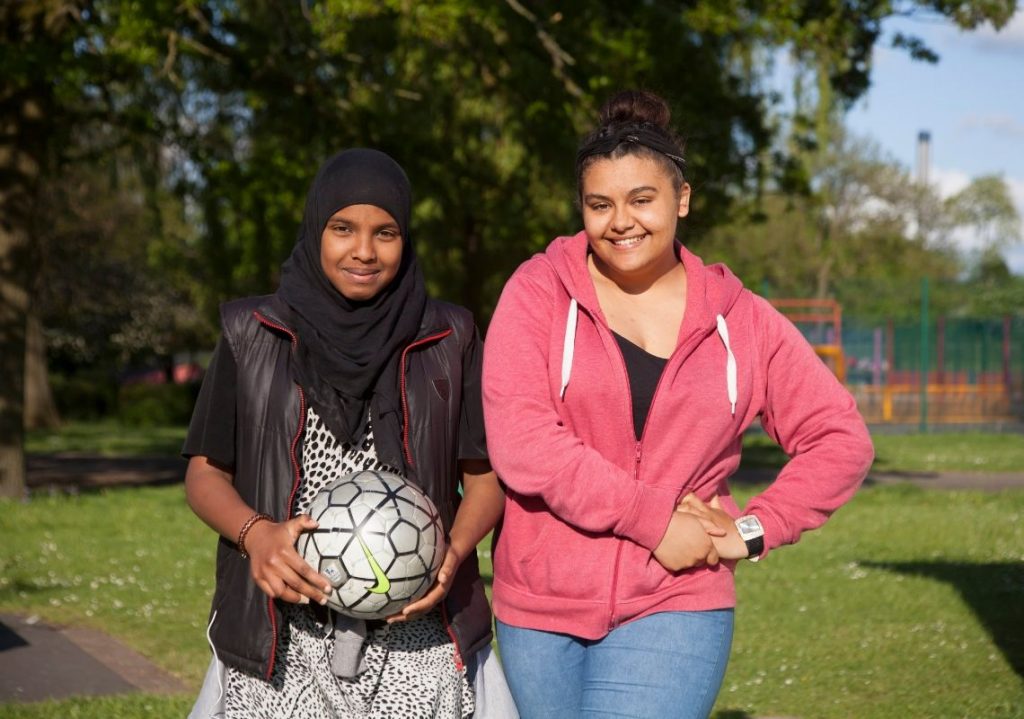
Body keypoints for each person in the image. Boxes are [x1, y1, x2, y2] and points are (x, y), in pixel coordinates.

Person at [481, 90, 874, 719]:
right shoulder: (538, 292)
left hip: (677, 600)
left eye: (642, 200)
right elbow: (522, 441)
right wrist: (653, 519)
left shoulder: (740, 320)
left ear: (681, 199)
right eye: (599, 204)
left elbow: (841, 439)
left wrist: (753, 530)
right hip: (539, 607)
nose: (621, 221)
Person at [182, 148, 515, 718]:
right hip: (282, 637)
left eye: (385, 232)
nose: (364, 251)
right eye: (343, 229)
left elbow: (485, 482)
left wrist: (451, 556)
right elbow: (204, 473)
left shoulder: (450, 337)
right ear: (316, 229)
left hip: (417, 633)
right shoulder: (251, 331)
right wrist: (257, 535)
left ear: (405, 237)